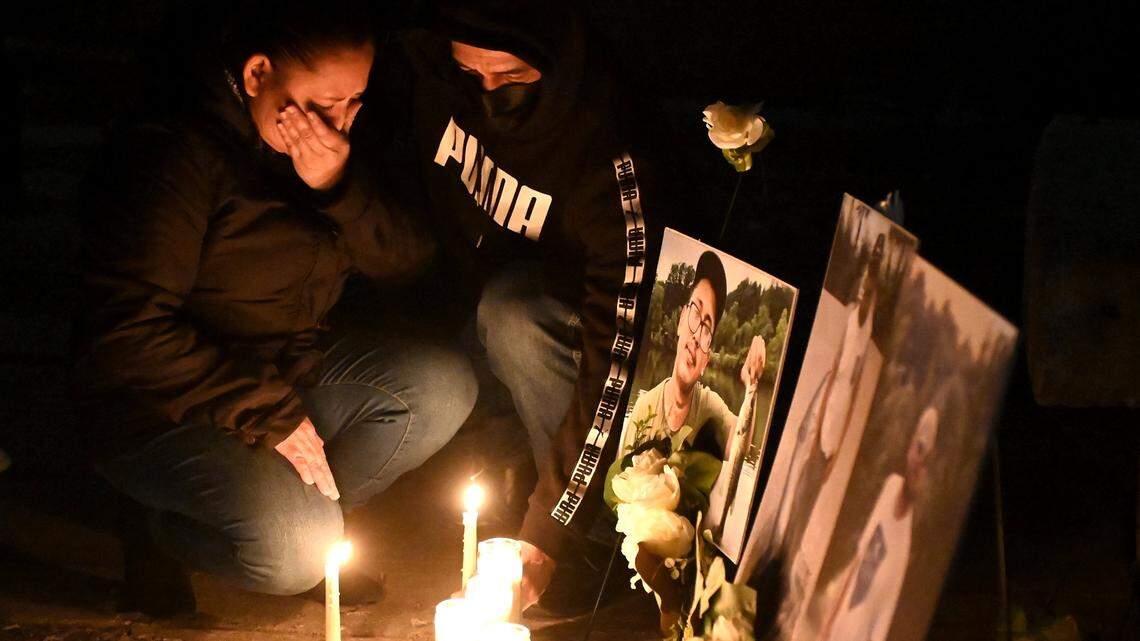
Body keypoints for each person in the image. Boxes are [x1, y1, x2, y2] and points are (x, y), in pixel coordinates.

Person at [72, 2, 476, 617]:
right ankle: (160, 526)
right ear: (258, 73)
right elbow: (127, 334)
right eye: (323, 106)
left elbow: (409, 264)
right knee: (294, 553)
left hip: (278, 373)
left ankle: (304, 521)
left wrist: (339, 188)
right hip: (162, 404)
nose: (339, 125)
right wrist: (273, 416)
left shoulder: (328, 147)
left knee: (442, 386)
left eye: (353, 105)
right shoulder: (177, 151)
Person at [390, 0, 663, 610]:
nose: (487, 95)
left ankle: (594, 547)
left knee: (512, 314)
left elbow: (614, 348)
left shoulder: (606, 146)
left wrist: (554, 525)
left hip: (554, 338)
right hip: (472, 331)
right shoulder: (435, 78)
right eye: (473, 76)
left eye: (510, 78)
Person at [620, 251, 767, 460]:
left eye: (707, 327)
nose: (698, 335)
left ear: (707, 359)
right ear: (680, 321)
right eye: (696, 312)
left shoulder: (709, 407)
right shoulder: (643, 410)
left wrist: (752, 387)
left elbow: (738, 445)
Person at [813, 406, 939, 641]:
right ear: (911, 446)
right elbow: (858, 562)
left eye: (927, 461)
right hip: (836, 628)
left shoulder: (904, 548)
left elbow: (882, 625)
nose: (918, 466)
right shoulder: (891, 486)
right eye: (919, 449)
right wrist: (827, 625)